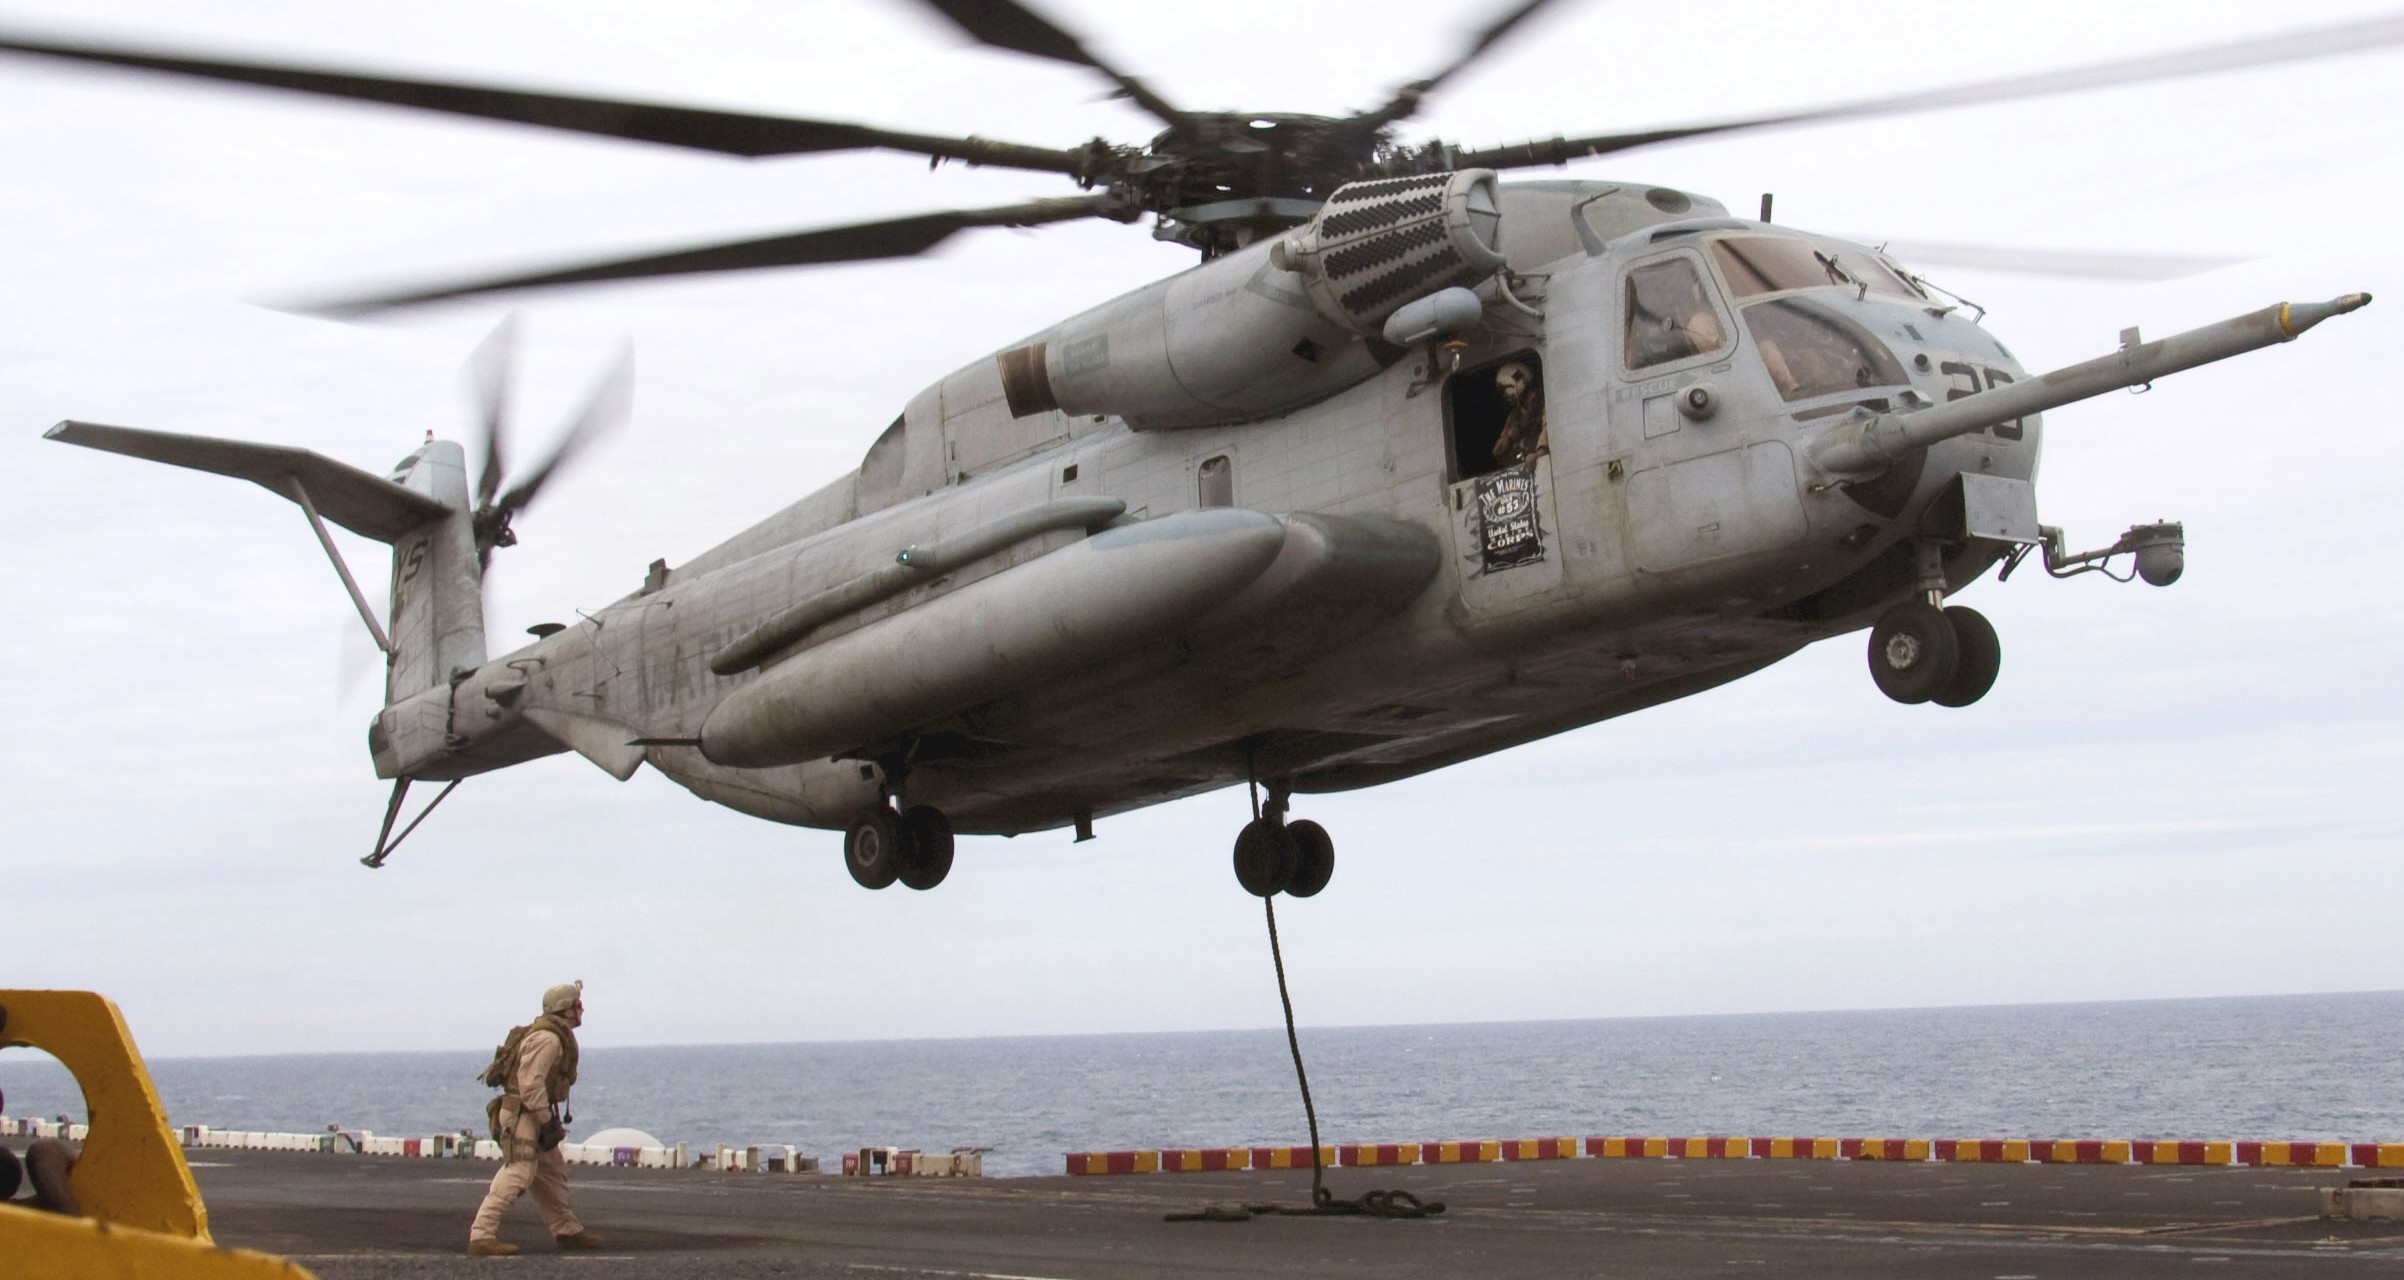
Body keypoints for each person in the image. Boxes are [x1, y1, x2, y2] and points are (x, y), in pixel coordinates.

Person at [467, 981, 603, 1257]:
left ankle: (567, 1230)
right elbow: (530, 1084)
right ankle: (482, 1235)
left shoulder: (552, 1036)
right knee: (518, 1173)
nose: (582, 1010)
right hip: (524, 1115)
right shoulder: (548, 1039)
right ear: (565, 1009)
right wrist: (545, 1120)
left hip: (531, 1112)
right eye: (577, 1005)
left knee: (550, 1173)